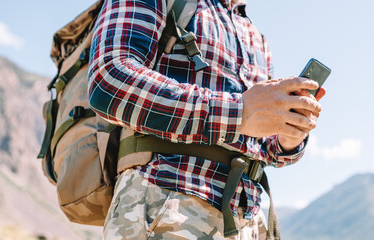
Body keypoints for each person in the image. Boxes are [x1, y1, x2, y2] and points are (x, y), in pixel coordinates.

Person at [88, 0, 326, 239]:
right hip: (166, 206)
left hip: (249, 223)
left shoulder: (256, 37)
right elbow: (109, 80)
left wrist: (288, 138)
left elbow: (259, 144)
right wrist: (239, 112)